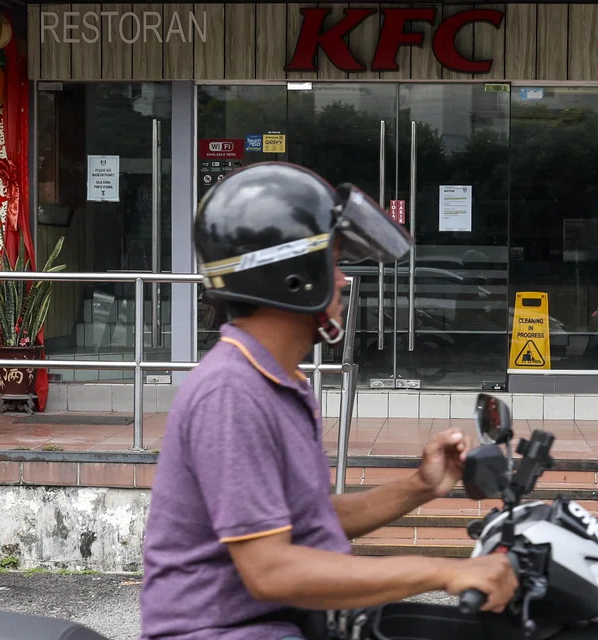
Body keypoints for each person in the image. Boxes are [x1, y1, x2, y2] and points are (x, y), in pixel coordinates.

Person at [138, 162, 518, 640]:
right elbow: (270, 570)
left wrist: (420, 486)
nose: (341, 281)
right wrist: (443, 572)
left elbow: (306, 521)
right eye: (333, 263)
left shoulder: (277, 380)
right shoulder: (232, 393)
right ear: (292, 276)